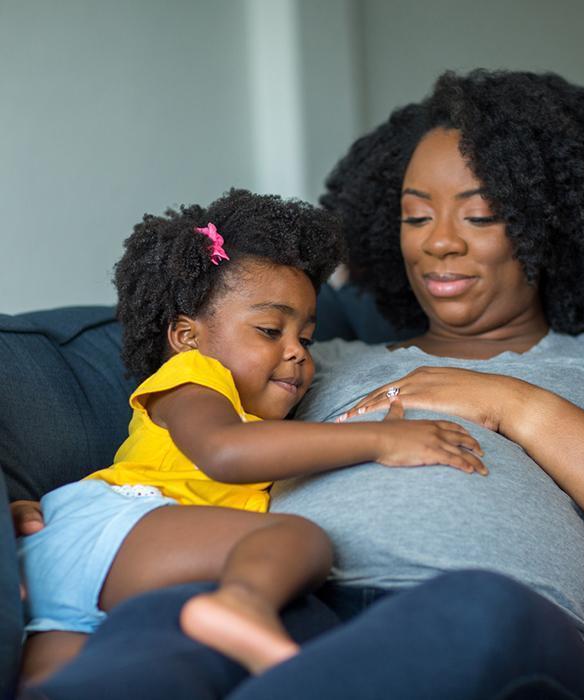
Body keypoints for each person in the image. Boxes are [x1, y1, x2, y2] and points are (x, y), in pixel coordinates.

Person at [14, 69, 584, 700]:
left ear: (552, 224)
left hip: (488, 612)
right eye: (415, 214)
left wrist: (514, 404)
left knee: (478, 609)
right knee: (167, 620)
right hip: (279, 597)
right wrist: (36, 516)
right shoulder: (302, 357)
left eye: (480, 214)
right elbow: (173, 452)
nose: (439, 243)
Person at [15, 187, 482, 686]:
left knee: (60, 687)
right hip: (118, 523)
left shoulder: (262, 416)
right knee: (294, 538)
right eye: (268, 330)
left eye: (305, 337)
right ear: (187, 337)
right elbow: (225, 453)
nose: (298, 352)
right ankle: (243, 601)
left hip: (84, 584)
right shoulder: (193, 380)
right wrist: (380, 441)